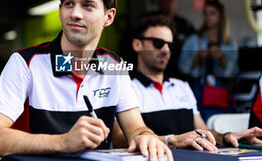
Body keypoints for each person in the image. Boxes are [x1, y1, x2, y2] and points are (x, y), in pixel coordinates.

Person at [0, 0, 173, 161]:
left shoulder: (115, 66)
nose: (75, 14)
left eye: (88, 6)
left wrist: (144, 136)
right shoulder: (25, 62)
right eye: (69, 3)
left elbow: (136, 128)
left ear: (109, 17)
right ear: (60, 11)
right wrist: (62, 142)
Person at [112, 15, 262, 150]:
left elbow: (204, 131)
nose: (165, 50)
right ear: (137, 45)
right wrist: (173, 140)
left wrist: (227, 137)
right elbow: (119, 139)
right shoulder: (125, 87)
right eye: (158, 43)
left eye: (170, 45)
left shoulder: (181, 86)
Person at [178, 0, 239, 120]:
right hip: (198, 92)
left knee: (222, 124)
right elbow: (181, 67)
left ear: (220, 16)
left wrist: (222, 58)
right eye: (205, 13)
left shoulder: (229, 43)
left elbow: (234, 72)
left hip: (220, 93)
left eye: (212, 13)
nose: (208, 17)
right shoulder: (194, 40)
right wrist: (197, 58)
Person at [140, 0, 196, 79]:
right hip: (149, 75)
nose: (171, 2)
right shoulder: (147, 21)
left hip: (178, 76)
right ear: (159, 1)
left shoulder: (185, 25)